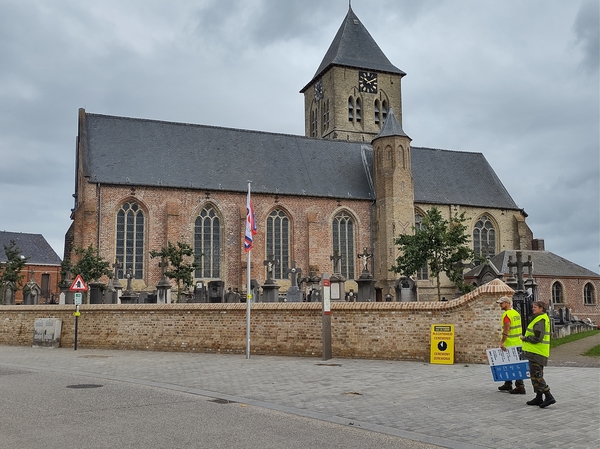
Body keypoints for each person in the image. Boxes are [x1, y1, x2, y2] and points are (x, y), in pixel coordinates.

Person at [520, 301, 556, 408]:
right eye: (533, 307)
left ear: (541, 309)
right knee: (535, 376)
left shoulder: (540, 320)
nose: (533, 309)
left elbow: (537, 338)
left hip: (537, 353)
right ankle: (539, 397)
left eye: (535, 307)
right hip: (535, 353)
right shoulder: (539, 318)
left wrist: (525, 338)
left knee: (537, 376)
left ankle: (549, 397)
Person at [496, 296, 526, 394]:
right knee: (509, 364)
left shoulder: (507, 315)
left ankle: (520, 386)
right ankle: (508, 383)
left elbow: (507, 329)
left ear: (507, 303)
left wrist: (502, 342)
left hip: (510, 343)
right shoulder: (516, 313)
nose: (500, 305)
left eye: (502, 303)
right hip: (518, 342)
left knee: (514, 365)